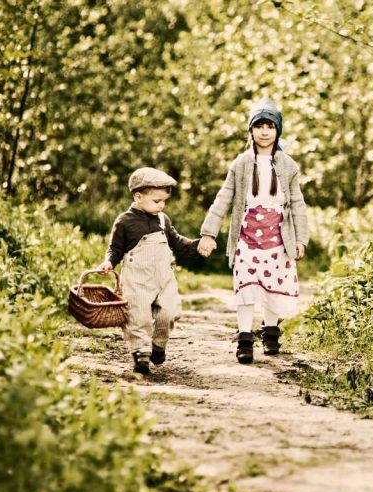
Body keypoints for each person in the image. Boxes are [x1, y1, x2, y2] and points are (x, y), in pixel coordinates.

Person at [197, 97, 309, 364]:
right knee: (246, 286)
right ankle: (245, 337)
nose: (264, 131)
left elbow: (297, 203)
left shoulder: (288, 165)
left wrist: (301, 239)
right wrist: (208, 232)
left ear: (277, 130)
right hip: (247, 238)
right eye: (259, 126)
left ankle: (271, 332)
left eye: (270, 126)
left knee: (273, 287)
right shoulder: (241, 164)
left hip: (279, 238)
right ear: (251, 130)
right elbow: (223, 199)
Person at [98, 167, 202, 375]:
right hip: (137, 279)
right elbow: (115, 248)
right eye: (156, 201)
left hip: (163, 277)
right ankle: (141, 355)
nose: (161, 205)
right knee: (138, 316)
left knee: (169, 312)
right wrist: (109, 262)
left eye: (164, 201)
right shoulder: (124, 222)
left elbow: (177, 242)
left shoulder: (163, 220)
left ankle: (158, 344)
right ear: (138, 196)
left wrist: (197, 245)